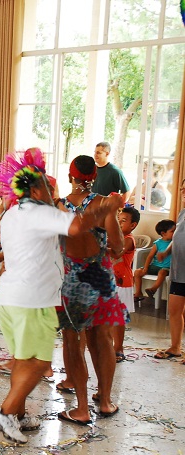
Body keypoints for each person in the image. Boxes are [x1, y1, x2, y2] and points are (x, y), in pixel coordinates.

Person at [0, 148, 122, 443]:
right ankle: (6, 411)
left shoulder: (12, 213)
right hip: (35, 298)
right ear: (35, 189)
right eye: (48, 186)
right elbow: (79, 228)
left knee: (25, 358)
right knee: (39, 361)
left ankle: (20, 414)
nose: (53, 190)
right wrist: (106, 208)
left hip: (13, 297)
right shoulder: (43, 211)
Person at [55, 155, 126, 425]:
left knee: (74, 342)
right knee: (102, 340)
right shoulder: (103, 205)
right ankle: (106, 402)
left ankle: (82, 408)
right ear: (93, 176)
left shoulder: (59, 206)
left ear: (70, 176)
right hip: (101, 277)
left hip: (73, 279)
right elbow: (118, 246)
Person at [154, 178, 185, 362]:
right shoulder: (182, 214)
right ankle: (175, 347)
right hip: (178, 271)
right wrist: (165, 251)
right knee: (174, 310)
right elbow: (177, 238)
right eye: (182, 189)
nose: (183, 192)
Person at [111, 207, 139, 361]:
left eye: (124, 221)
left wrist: (98, 247)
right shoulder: (114, 236)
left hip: (123, 282)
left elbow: (117, 252)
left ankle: (119, 348)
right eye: (118, 220)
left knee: (119, 318)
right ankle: (109, 347)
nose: (119, 223)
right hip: (111, 281)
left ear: (133, 225)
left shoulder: (129, 239)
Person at [134, 219, 174, 300]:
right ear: (163, 233)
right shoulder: (158, 243)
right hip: (155, 266)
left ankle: (153, 289)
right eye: (172, 231)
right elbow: (150, 256)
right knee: (137, 272)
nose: (175, 233)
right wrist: (145, 267)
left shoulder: (174, 243)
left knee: (162, 272)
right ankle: (138, 292)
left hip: (166, 268)